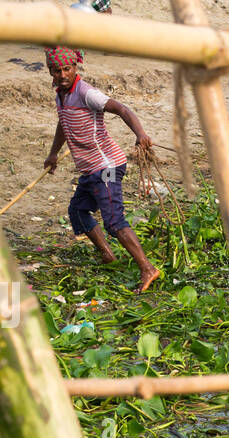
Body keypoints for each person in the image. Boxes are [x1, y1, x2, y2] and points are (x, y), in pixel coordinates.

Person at [43, 46, 160, 291]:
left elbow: (122, 109)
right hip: (90, 171)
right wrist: (53, 153)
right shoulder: (61, 96)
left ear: (75, 67)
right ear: (50, 72)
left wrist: (140, 134)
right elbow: (63, 125)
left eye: (67, 68)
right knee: (77, 211)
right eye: (57, 70)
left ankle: (147, 268)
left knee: (114, 221)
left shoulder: (86, 93)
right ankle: (107, 253)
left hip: (106, 167)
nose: (62, 74)